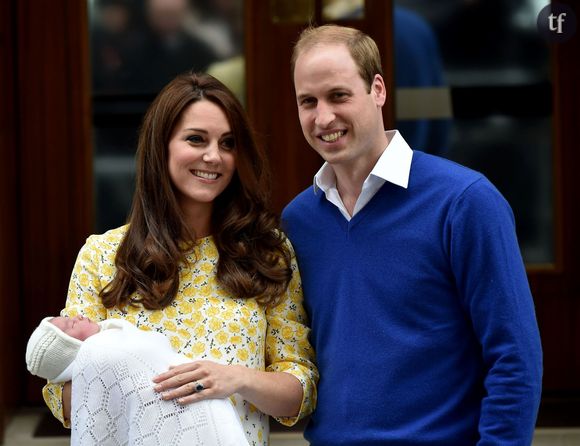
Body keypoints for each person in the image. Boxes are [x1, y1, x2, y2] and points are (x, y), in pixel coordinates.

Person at [282, 24, 542, 445]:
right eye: (307, 101)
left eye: (339, 96)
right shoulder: (299, 221)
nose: (323, 117)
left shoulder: (465, 202)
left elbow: (514, 359)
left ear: (378, 89)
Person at [42, 72, 318, 446]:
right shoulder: (103, 256)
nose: (213, 156)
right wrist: (144, 382)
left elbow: (300, 392)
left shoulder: (267, 253)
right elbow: (64, 400)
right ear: (162, 146)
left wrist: (235, 378)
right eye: (196, 139)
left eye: (228, 143)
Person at [26, 315, 249, 445]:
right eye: (70, 326)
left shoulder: (117, 338)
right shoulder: (101, 351)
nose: (76, 316)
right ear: (72, 349)